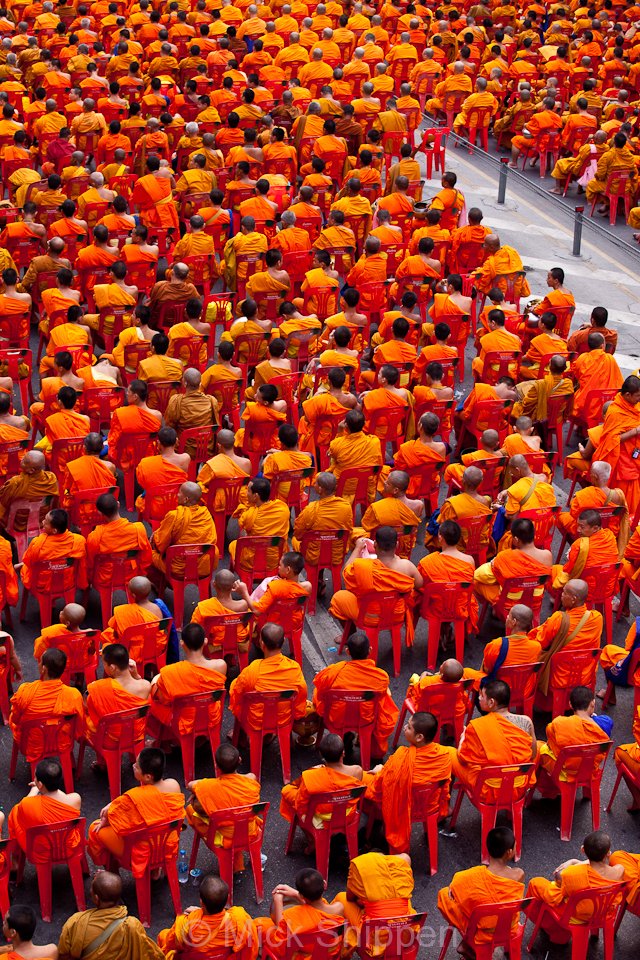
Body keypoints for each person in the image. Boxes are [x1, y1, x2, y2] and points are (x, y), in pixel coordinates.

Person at [87, 747, 185, 873]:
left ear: (148, 776)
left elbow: (111, 817)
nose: (133, 766)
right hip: (167, 845)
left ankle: (111, 875)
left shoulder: (134, 798)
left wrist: (109, 812)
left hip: (141, 852)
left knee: (94, 829)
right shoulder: (174, 784)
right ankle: (155, 872)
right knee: (157, 826)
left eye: (137, 766)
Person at [366, 712, 453, 852]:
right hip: (429, 805)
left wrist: (382, 770)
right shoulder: (444, 754)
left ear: (419, 737)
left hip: (405, 805)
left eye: (409, 727)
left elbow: (381, 785)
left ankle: (373, 827)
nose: (405, 727)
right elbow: (445, 783)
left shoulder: (401, 757)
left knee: (365, 779)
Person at [525, 831, 625, 945]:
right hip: (603, 914)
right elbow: (610, 867)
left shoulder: (572, 874)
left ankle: (556, 932)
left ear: (583, 850)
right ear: (608, 853)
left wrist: (573, 862)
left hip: (578, 917)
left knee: (536, 883)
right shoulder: (619, 871)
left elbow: (561, 886)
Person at [313, 634, 399, 761]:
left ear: (347, 652)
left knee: (318, 691)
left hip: (337, 718)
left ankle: (343, 737)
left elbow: (320, 691)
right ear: (370, 650)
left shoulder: (333, 672)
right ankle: (364, 741)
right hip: (365, 719)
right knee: (385, 696)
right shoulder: (380, 676)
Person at [437, 827, 525, 950]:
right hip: (508, 928)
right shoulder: (518, 875)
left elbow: (454, 887)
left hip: (481, 931)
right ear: (509, 852)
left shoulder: (470, 875)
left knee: (444, 894)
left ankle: (470, 943)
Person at [329, 527, 422, 641]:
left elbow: (345, 573)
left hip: (369, 617)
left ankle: (350, 636)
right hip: (397, 615)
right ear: (397, 545)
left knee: (338, 598)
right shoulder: (407, 565)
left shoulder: (363, 566)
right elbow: (420, 584)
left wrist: (358, 548)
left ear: (375, 545)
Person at [453, 680, 536, 802]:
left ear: (491, 702)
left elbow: (463, 759)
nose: (479, 698)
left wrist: (462, 740)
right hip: (519, 787)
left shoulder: (477, 726)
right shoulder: (526, 722)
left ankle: (444, 809)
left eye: (482, 696)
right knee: (539, 745)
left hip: (490, 792)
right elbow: (533, 755)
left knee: (449, 754)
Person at [146, 622, 226, 746]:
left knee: (148, 699)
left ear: (182, 643)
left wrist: (155, 680)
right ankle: (200, 737)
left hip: (183, 720)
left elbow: (161, 699)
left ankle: (166, 741)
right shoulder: (221, 665)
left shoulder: (170, 672)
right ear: (205, 641)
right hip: (210, 717)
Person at [186, 743, 261, 872]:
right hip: (250, 833)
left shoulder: (209, 786)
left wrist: (197, 793)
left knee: (190, 810)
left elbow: (190, 784)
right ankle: (237, 861)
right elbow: (249, 776)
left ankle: (234, 860)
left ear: (216, 766)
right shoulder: (251, 780)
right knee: (237, 816)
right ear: (240, 760)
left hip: (225, 838)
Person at [58, 871, 166, 960]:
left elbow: (63, 954)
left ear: (96, 898)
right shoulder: (132, 925)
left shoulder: (76, 922)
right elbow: (149, 953)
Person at [531, 579, 603, 710]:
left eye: (564, 593)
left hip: (559, 676)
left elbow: (540, 643)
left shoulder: (559, 619)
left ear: (574, 599)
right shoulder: (597, 618)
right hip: (585, 673)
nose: (561, 595)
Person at [229, 623, 308, 736]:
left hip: (257, 721)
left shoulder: (253, 669)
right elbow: (302, 693)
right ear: (283, 641)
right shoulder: (294, 668)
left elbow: (237, 691)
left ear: (262, 644)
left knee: (235, 687)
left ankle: (243, 734)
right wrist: (297, 715)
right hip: (283, 719)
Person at [9, 648, 85, 765]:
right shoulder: (73, 695)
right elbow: (79, 726)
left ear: (44, 669)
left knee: (12, 718)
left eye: (40, 662)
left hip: (33, 744)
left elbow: (15, 719)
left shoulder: (25, 691)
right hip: (62, 741)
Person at [534, 686, 611, 800]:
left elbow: (551, 742)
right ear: (593, 703)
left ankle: (547, 790)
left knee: (540, 746)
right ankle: (587, 793)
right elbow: (605, 721)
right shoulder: (604, 725)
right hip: (591, 770)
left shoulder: (560, 723)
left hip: (567, 772)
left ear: (570, 704)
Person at [280, 733, 365, 836]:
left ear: (321, 754)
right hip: (347, 814)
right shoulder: (357, 771)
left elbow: (301, 802)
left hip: (321, 818)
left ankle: (311, 839)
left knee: (287, 791)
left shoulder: (312, 776)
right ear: (343, 753)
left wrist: (303, 815)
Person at [158, 875, 258, 960]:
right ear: (227, 898)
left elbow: (171, 943)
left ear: (201, 901)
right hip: (222, 956)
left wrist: (195, 914)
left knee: (163, 935)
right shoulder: (239, 918)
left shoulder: (187, 923)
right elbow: (251, 940)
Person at [255, 868, 344, 957]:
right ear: (325, 884)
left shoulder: (292, 916)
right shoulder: (339, 908)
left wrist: (278, 900)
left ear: (301, 895)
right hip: (326, 953)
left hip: (302, 955)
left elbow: (280, 928)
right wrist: (296, 894)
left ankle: (261, 951)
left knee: (260, 925)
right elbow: (315, 909)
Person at [85, 644, 151, 762]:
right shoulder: (145, 686)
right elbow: (139, 684)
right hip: (136, 735)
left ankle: (102, 763)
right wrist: (135, 675)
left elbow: (89, 707)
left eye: (104, 664)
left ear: (112, 668)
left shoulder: (99, 688)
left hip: (111, 739)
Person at [8, 756, 82, 859]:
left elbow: (25, 804)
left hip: (42, 851)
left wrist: (35, 789)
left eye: (35, 778)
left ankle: (15, 859)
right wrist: (42, 786)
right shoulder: (75, 798)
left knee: (15, 812)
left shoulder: (28, 804)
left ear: (40, 784)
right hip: (68, 846)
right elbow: (57, 795)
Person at [473, 516, 552, 605]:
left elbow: (481, 575)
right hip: (534, 600)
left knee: (476, 581)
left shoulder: (505, 556)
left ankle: (497, 610)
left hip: (509, 602)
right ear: (534, 535)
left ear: (516, 539)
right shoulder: (547, 555)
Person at [150, 480, 217, 577]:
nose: (177, 495)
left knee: (149, 552)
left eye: (179, 492)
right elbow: (212, 541)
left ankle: (159, 585)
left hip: (178, 568)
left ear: (186, 499)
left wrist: (153, 538)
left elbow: (160, 545)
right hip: (203, 565)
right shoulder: (206, 514)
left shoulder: (174, 516)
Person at [18, 507, 87, 596]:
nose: (42, 522)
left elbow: (27, 561)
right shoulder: (79, 541)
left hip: (43, 585)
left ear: (54, 530)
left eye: (46, 522)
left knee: (27, 565)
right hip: (68, 582)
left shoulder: (37, 544)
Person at [87, 493, 152, 587]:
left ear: (100, 513)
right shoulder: (138, 530)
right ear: (118, 504)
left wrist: (90, 579)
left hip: (106, 578)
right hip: (131, 575)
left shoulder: (95, 537)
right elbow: (146, 558)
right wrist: (140, 573)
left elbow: (90, 563)